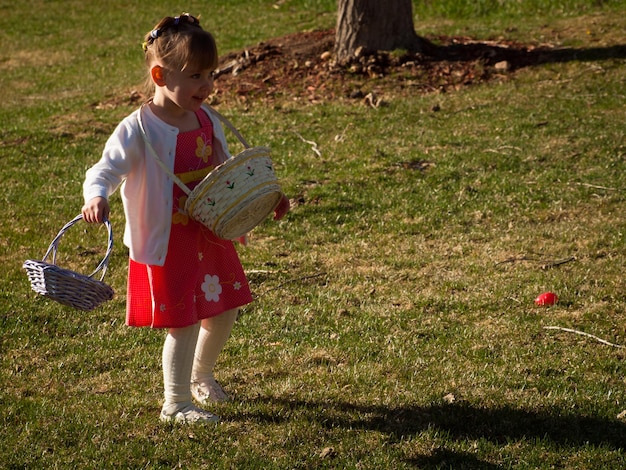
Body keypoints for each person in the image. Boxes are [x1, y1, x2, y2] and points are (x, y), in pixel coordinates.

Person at [81, 13, 290, 424]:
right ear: (160, 75)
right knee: (184, 320)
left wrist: (267, 194)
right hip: (168, 241)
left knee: (224, 308)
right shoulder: (138, 129)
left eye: (211, 74)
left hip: (208, 232)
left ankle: (202, 375)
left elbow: (229, 169)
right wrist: (96, 195)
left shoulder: (207, 119)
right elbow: (104, 169)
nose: (207, 86)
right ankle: (175, 403)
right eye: (195, 76)